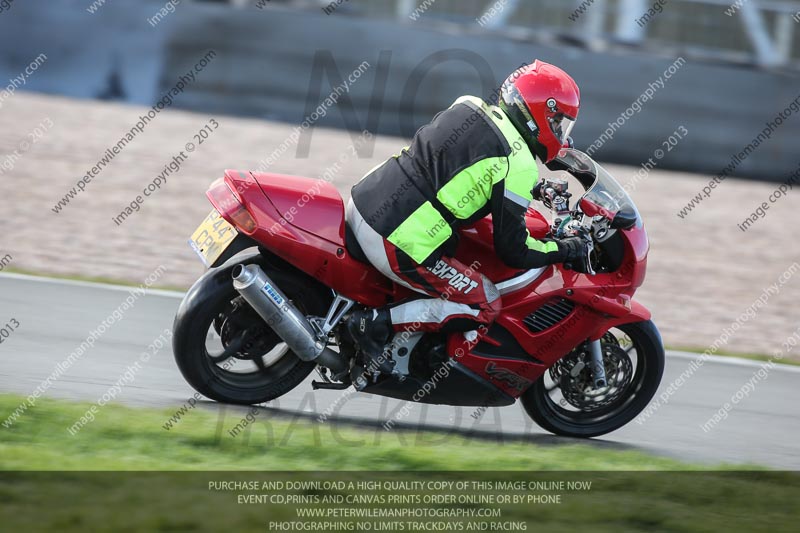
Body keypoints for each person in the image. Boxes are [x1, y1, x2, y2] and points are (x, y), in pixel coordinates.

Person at [345, 60, 589, 372]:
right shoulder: (521, 165)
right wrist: (564, 248)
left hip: (364, 198)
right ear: (542, 113)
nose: (560, 133)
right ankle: (374, 324)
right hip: (395, 236)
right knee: (484, 303)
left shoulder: (469, 105)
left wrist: (537, 189)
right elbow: (514, 251)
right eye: (559, 123)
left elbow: (459, 167)